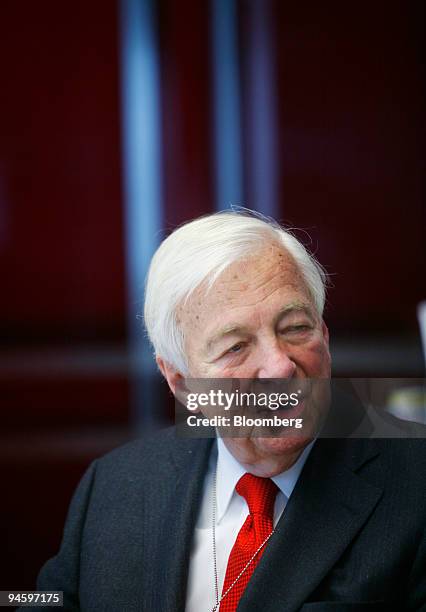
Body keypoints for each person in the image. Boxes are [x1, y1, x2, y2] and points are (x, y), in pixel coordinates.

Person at [28, 212, 425, 611]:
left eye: (294, 328)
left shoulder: (414, 481)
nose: (280, 367)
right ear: (182, 382)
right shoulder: (117, 485)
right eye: (235, 347)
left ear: (324, 333)